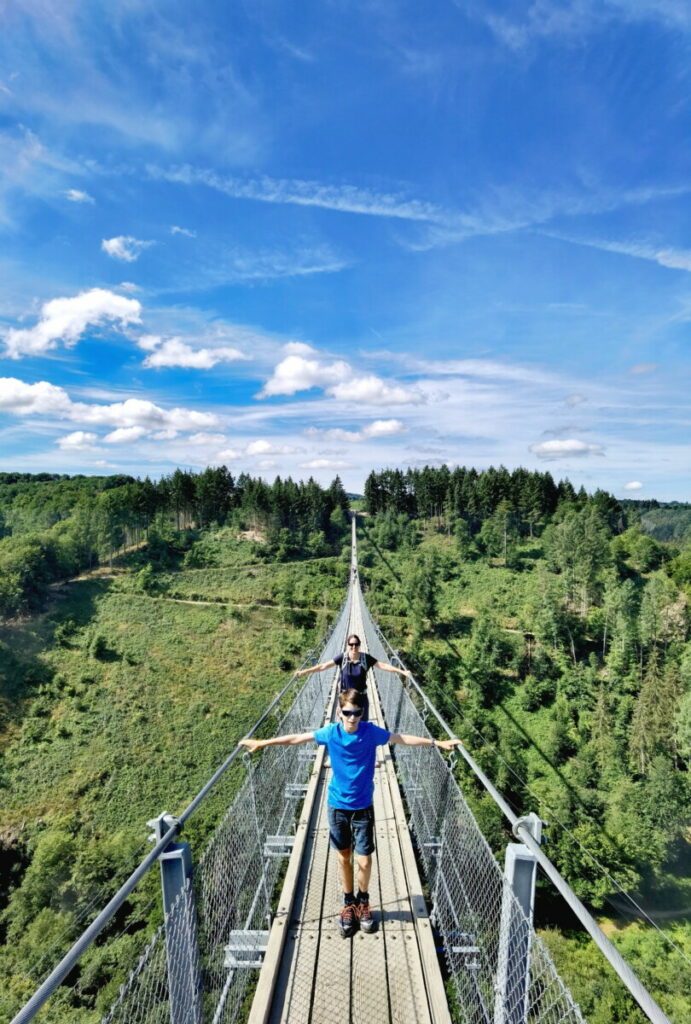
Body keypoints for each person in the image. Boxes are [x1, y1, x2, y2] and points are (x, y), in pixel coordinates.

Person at [240, 688, 461, 938]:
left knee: (364, 859)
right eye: (347, 713)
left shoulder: (370, 732)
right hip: (337, 806)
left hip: (363, 807)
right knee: (343, 858)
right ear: (339, 712)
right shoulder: (330, 732)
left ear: (362, 712)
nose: (352, 718)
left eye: (356, 713)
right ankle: (349, 904)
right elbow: (298, 739)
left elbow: (400, 738)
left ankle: (363, 900)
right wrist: (263, 742)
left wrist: (436, 743)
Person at [295, 633, 409, 721]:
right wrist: (304, 672)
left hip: (361, 698)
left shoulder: (365, 658)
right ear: (347, 645)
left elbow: (382, 665)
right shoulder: (342, 658)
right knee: (347, 725)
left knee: (362, 725)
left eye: (356, 644)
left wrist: (402, 672)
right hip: (346, 699)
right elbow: (323, 666)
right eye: (351, 644)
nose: (354, 647)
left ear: (359, 645)